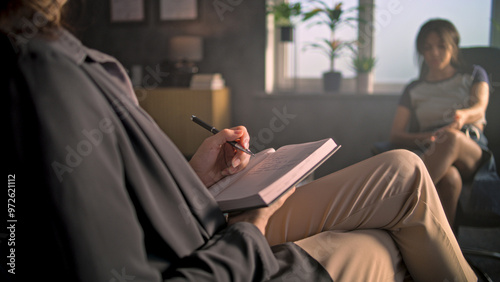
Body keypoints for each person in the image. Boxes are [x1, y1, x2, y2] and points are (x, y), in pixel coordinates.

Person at [4, 2, 476, 281]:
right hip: (215, 246)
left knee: (404, 171)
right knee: (382, 243)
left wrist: (196, 176)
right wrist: (249, 227)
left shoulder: (59, 57)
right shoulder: (42, 76)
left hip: (204, 219)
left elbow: (127, 202)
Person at [389, 18, 500, 225]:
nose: (434, 53)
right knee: (450, 179)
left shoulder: (474, 74)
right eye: (428, 48)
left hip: (469, 146)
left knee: (451, 138)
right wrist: (428, 137)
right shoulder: (413, 88)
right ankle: (445, 252)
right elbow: (396, 134)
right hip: (431, 149)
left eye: (441, 46)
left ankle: (394, 209)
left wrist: (463, 116)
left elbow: (479, 108)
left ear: (454, 46)